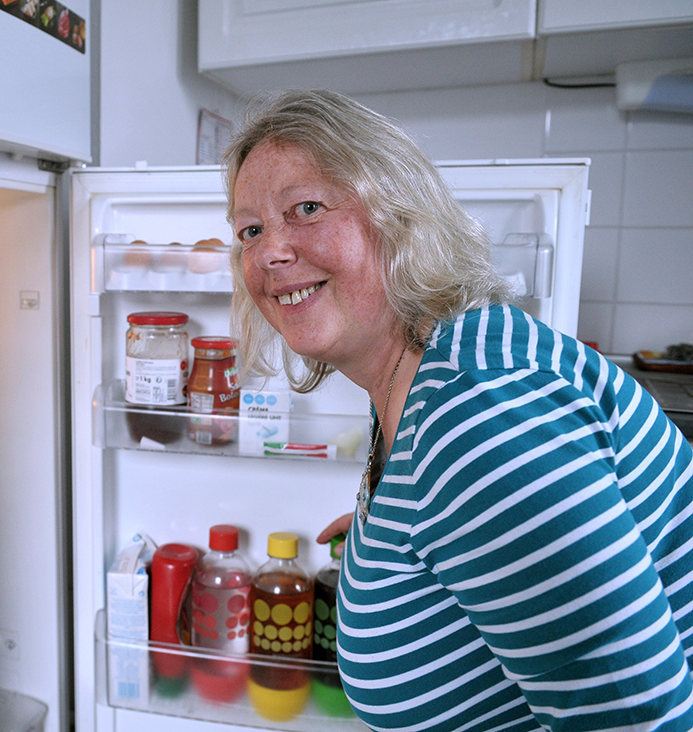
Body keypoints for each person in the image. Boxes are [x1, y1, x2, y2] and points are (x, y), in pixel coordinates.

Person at [224, 88, 693, 730]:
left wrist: (465, 498)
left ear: (398, 214)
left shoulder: (476, 414)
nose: (270, 252)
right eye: (250, 230)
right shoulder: (422, 378)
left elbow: (638, 718)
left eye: (306, 208)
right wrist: (391, 540)